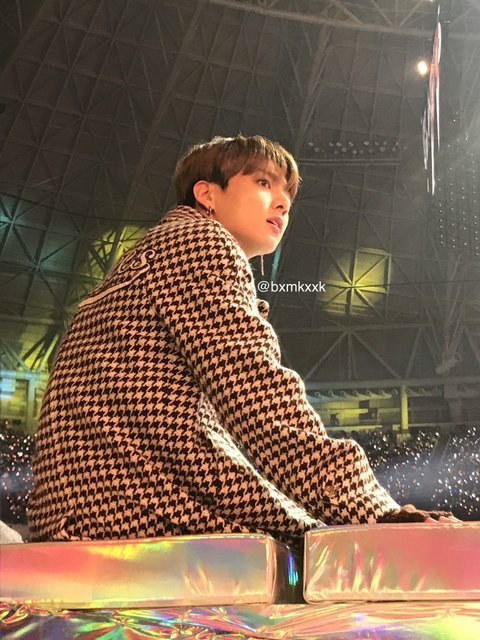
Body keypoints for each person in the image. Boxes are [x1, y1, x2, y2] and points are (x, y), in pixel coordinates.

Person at [28, 135, 456, 546]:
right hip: (126, 509)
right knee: (336, 549)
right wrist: (372, 509)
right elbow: (257, 394)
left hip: (89, 505)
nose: (283, 203)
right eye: (264, 182)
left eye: (287, 193)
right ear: (206, 194)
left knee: (317, 530)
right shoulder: (201, 242)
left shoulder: (154, 251)